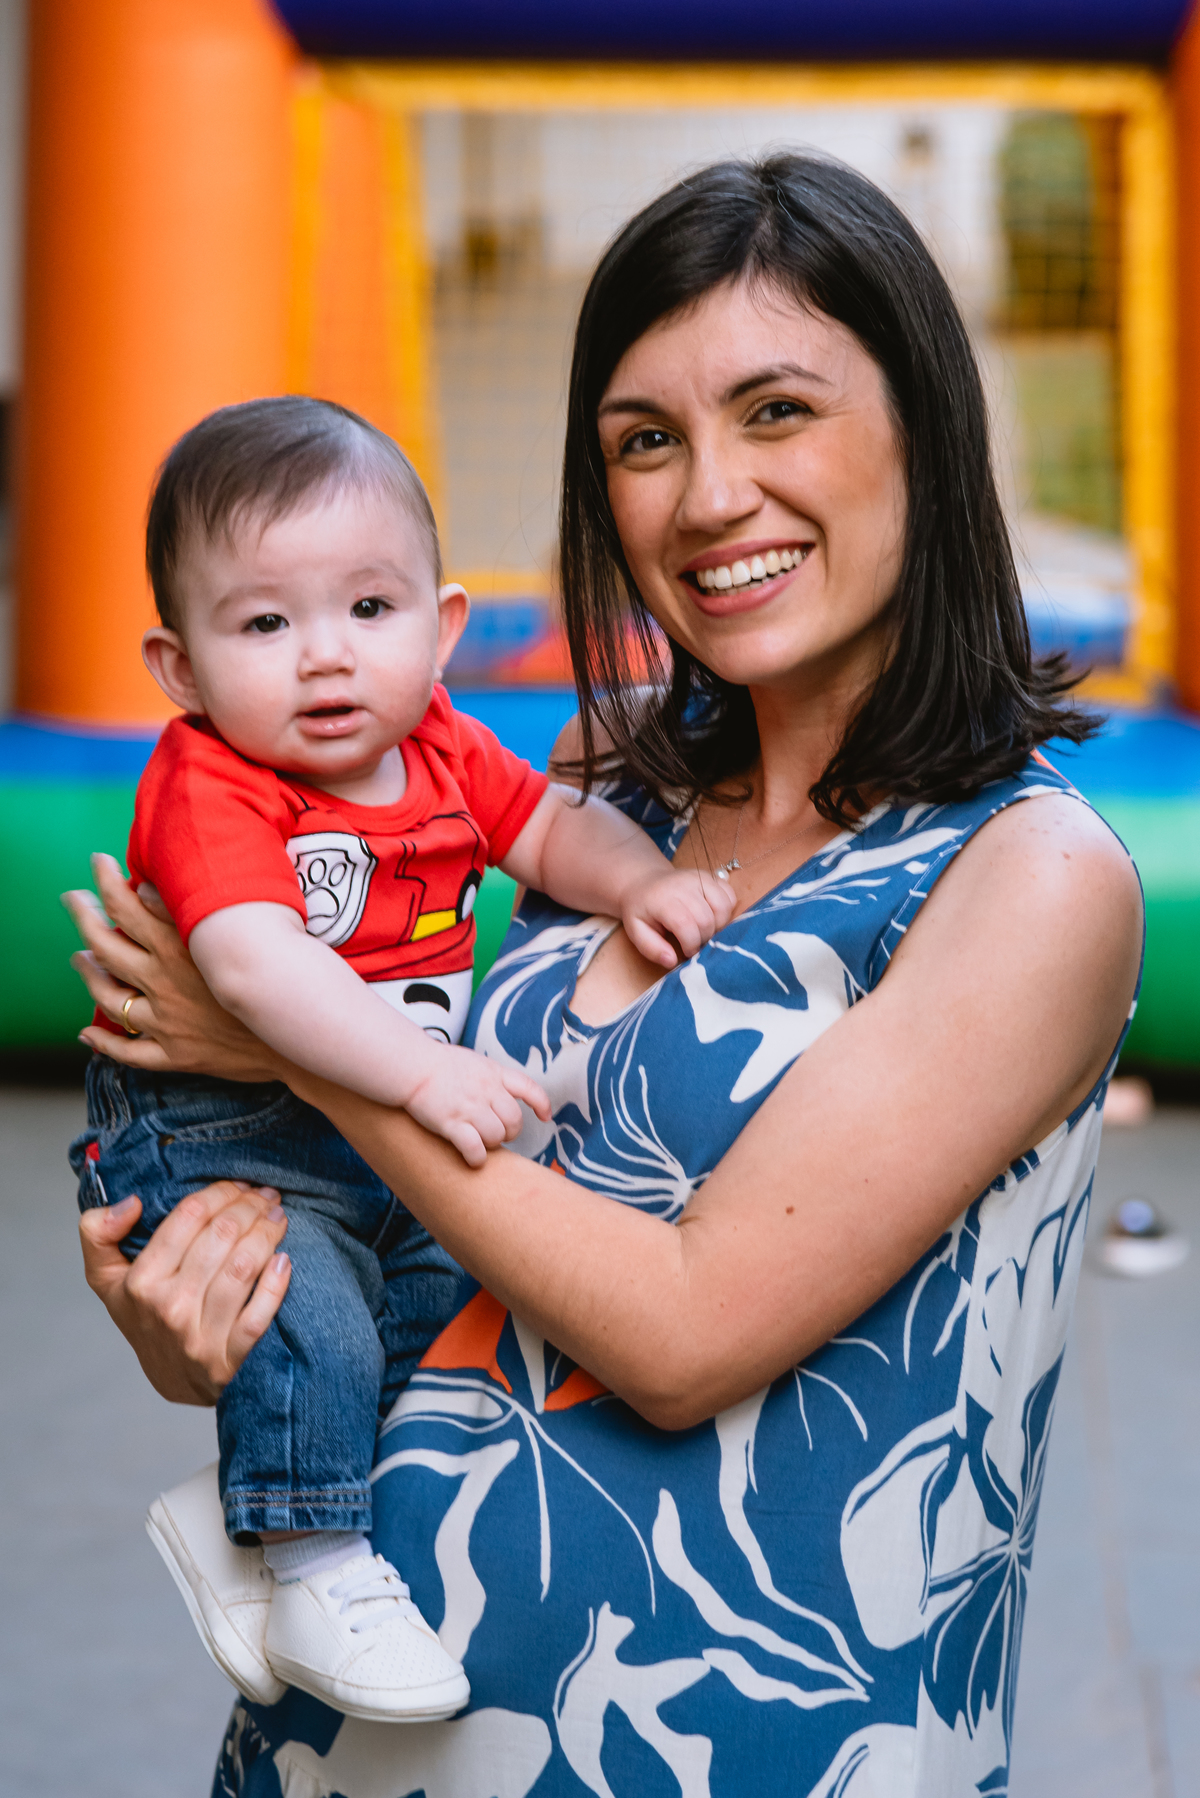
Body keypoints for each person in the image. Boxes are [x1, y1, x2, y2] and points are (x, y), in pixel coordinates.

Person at [65, 153, 1142, 1796]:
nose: (708, 496)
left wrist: (293, 1051)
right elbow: (453, 1228)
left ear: (923, 423)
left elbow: (688, 1327)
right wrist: (212, 1298)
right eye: (646, 439)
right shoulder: (607, 788)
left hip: (746, 1749)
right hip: (364, 1720)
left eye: (775, 411)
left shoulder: (1025, 874)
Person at [67, 396, 734, 1723]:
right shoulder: (214, 783)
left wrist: (642, 879)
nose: (325, 657)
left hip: (366, 1144)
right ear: (180, 665)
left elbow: (544, 826)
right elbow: (253, 967)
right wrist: (423, 1076)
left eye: (368, 611)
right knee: (300, 1303)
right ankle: (313, 1557)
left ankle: (247, 1513)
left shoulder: (438, 745)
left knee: (435, 1342)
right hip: (218, 1136)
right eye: (264, 623)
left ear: (442, 627)